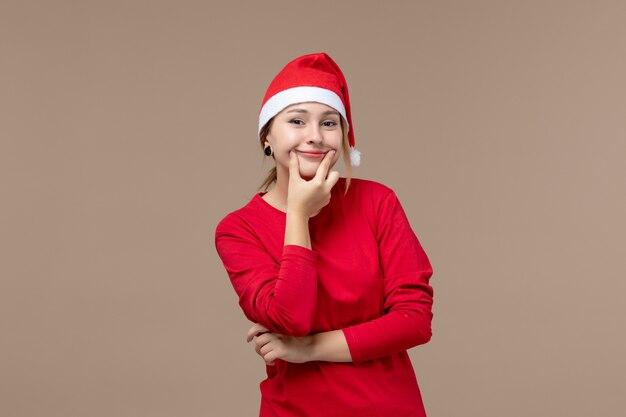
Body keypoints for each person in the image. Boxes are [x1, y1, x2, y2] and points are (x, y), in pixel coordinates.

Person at [214, 52, 434, 417]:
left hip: (389, 407)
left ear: (343, 137)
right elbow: (291, 318)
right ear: (267, 135)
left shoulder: (377, 202)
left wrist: (309, 349)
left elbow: (414, 320)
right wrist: (299, 214)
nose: (314, 137)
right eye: (297, 120)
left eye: (329, 123)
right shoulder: (238, 229)